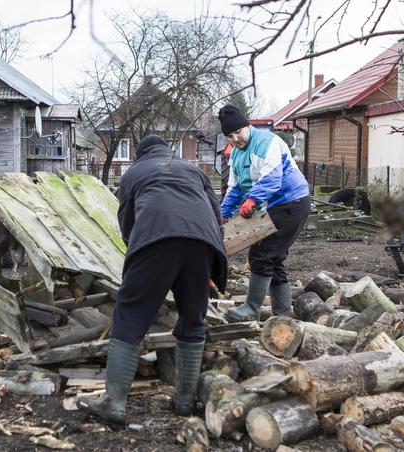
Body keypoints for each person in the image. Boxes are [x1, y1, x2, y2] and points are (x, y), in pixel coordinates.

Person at [76, 135, 227, 424]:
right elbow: (215, 213)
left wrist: (139, 255)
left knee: (131, 313)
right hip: (203, 244)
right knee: (193, 319)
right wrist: (211, 268)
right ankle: (184, 401)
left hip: (156, 240)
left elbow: (127, 222)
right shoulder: (193, 169)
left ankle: (114, 403)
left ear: (140, 154)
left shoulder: (135, 172)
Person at [218, 104, 310, 321]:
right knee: (274, 258)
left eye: (238, 132)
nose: (235, 138)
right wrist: (224, 212)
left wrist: (251, 200)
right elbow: (236, 187)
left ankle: (251, 308)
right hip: (276, 206)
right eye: (230, 135)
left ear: (247, 126)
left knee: (261, 254)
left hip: (292, 202)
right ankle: (282, 315)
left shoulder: (267, 142)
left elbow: (272, 178)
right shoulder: (237, 155)